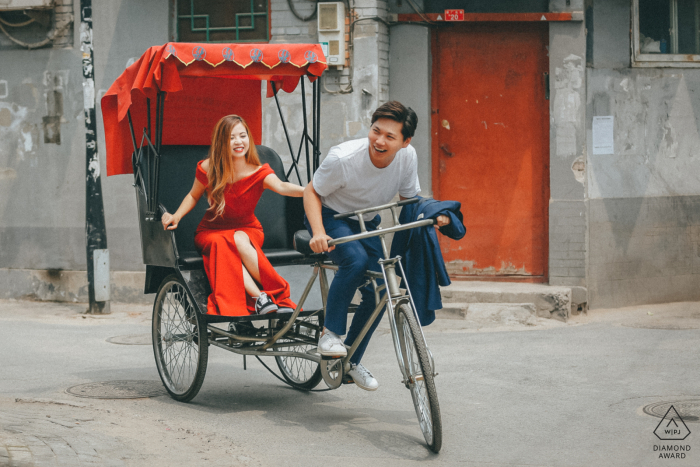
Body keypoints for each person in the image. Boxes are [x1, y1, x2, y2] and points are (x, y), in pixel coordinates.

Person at [304, 101, 450, 391]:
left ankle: (351, 362)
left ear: (405, 142)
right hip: (330, 215)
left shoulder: (407, 157)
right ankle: (330, 334)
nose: (379, 141)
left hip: (365, 220)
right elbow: (311, 191)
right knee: (356, 261)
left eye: (390, 137)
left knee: (381, 288)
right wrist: (318, 232)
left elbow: (410, 199)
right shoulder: (343, 158)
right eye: (376, 131)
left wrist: (434, 215)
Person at [162, 115, 304, 316]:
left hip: (248, 231)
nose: (239, 142)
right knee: (222, 242)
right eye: (231, 137)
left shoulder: (258, 171)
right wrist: (176, 215)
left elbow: (282, 186)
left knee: (235, 239)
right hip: (211, 232)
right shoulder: (208, 167)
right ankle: (260, 297)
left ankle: (265, 295)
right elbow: (193, 196)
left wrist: (310, 190)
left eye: (242, 136)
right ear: (222, 141)